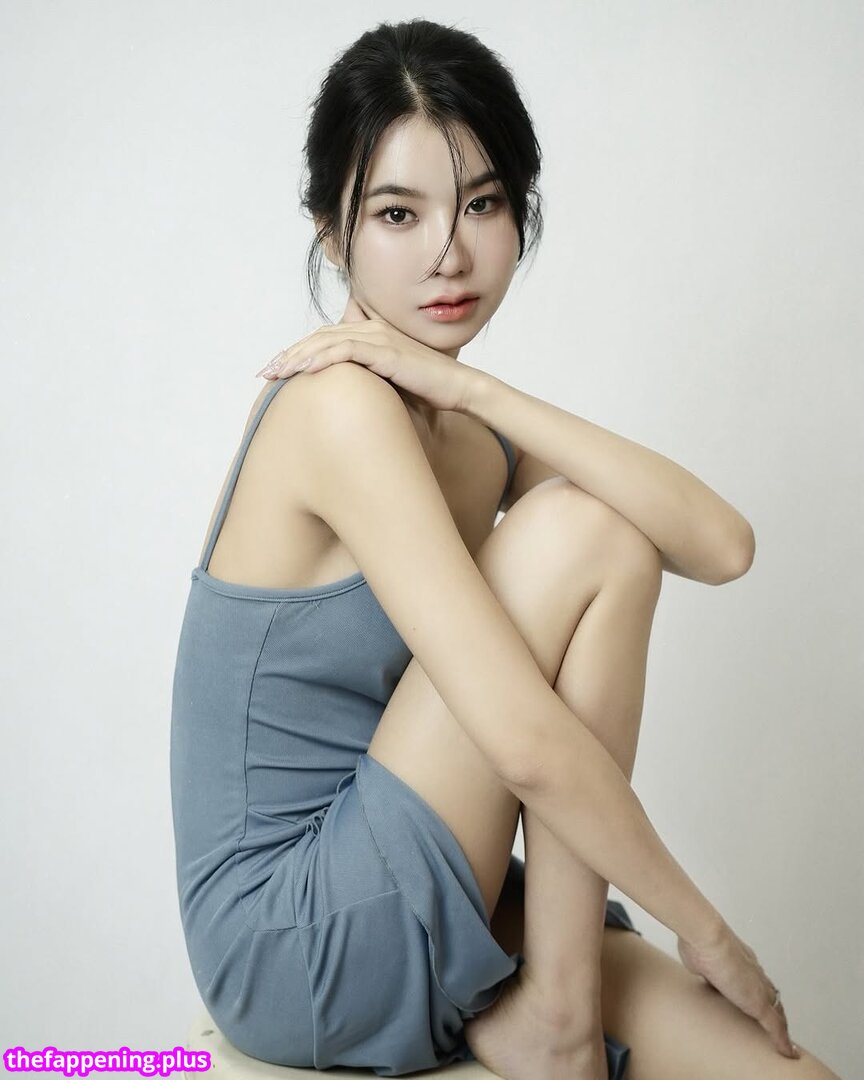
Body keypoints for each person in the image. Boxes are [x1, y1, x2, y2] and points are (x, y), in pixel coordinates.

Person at [170, 18, 840, 1080]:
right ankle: (562, 1024)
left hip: (443, 882)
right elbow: (522, 740)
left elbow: (722, 545)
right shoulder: (336, 409)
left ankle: (557, 1010)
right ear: (332, 235)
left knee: (788, 1075)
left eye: (481, 204)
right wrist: (704, 928)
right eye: (398, 214)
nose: (449, 254)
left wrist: (476, 389)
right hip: (297, 938)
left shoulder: (462, 426)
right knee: (586, 527)